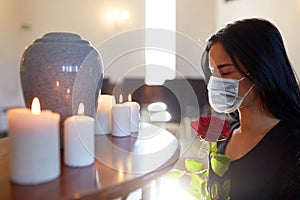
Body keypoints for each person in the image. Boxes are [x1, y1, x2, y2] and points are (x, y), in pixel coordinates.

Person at [201, 18, 300, 199]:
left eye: (225, 72)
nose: (216, 83)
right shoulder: (222, 136)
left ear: (261, 71)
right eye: (213, 73)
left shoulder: (292, 144)